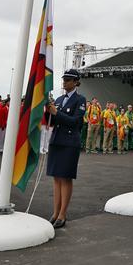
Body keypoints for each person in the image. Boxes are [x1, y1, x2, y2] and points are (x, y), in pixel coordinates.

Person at [45, 69, 86, 229]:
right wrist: (47, 111)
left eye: (68, 80)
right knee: (56, 177)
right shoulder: (59, 99)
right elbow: (52, 120)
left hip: (69, 142)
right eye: (64, 79)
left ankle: (63, 214)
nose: (65, 82)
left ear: (76, 82)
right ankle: (55, 213)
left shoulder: (80, 99)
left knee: (66, 178)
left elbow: (76, 122)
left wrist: (57, 113)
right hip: (56, 140)